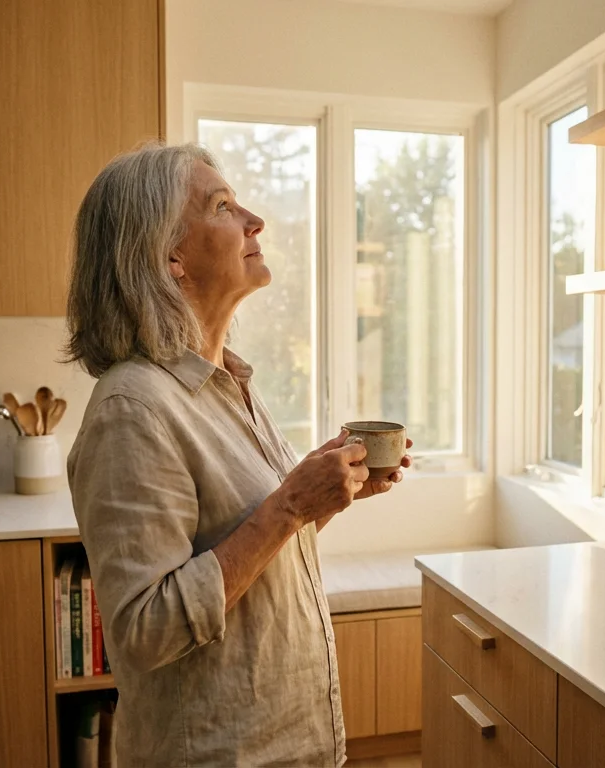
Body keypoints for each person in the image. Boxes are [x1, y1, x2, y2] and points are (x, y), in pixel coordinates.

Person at [65, 142, 410, 767]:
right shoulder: (133, 410)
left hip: (288, 744)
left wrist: (326, 493)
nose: (255, 220)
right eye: (223, 205)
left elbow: (251, 547)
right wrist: (288, 506)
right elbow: (144, 630)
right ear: (168, 255)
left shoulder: (227, 386)